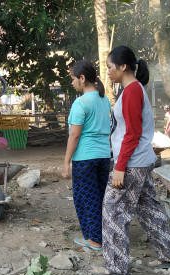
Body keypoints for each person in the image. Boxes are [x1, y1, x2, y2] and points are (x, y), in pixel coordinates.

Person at [93, 46, 170, 275]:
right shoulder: (133, 89)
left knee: (112, 211)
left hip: (132, 163)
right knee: (149, 208)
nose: (108, 72)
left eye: (110, 67)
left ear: (123, 67)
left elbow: (132, 133)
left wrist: (119, 167)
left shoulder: (132, 91)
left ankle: (116, 267)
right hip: (141, 160)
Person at [61, 60, 111, 251]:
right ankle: (100, 235)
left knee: (85, 198)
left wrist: (66, 162)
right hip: (103, 156)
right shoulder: (103, 99)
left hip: (85, 158)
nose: (72, 83)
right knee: (99, 196)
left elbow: (74, 135)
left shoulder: (81, 103)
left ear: (82, 78)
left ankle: (94, 239)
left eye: (73, 79)